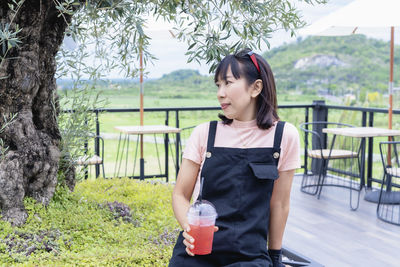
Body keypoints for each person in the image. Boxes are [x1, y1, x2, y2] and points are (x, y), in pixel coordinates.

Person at [169, 48, 300, 267]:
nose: (220, 93)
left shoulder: (284, 136)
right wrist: (189, 229)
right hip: (197, 252)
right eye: (218, 85)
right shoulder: (205, 133)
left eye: (228, 83)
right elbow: (180, 194)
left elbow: (279, 204)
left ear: (256, 87)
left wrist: (274, 257)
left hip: (249, 256)